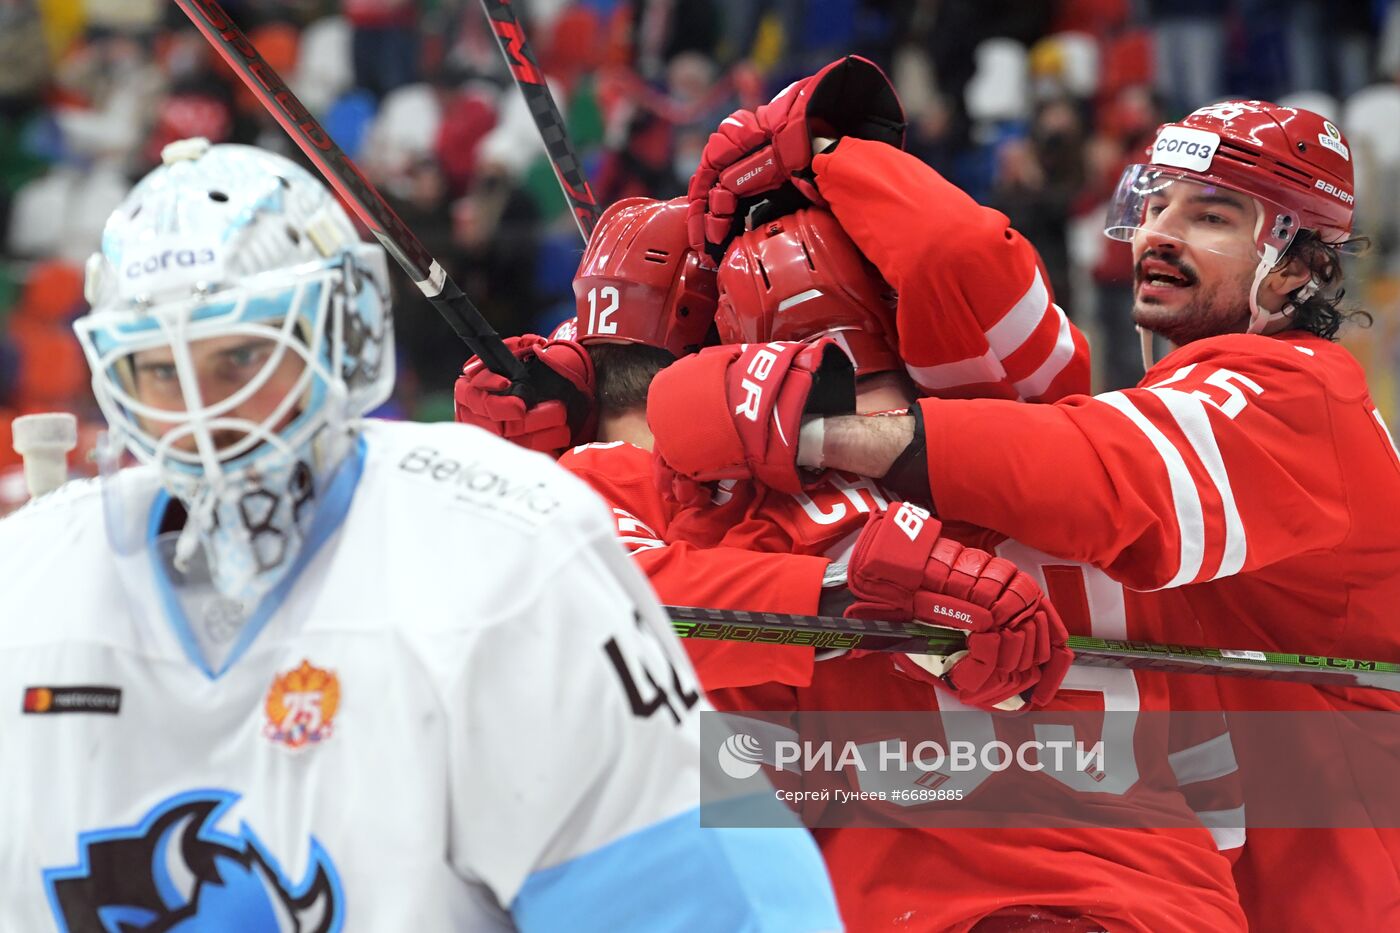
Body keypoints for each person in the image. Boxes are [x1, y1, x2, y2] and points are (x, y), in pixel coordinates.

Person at [0, 138, 843, 931]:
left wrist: (899, 739)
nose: (203, 411)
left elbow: (757, 850)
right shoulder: (31, 583)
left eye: (240, 358)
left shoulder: (508, 541)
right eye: (157, 368)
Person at [674, 88, 1400, 929]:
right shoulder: (1167, 402)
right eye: (1153, 204)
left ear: (1301, 267)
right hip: (1244, 892)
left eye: (1212, 217)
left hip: (1339, 896)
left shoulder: (1299, 394)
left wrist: (834, 161)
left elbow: (1100, 476)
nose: (1159, 234)